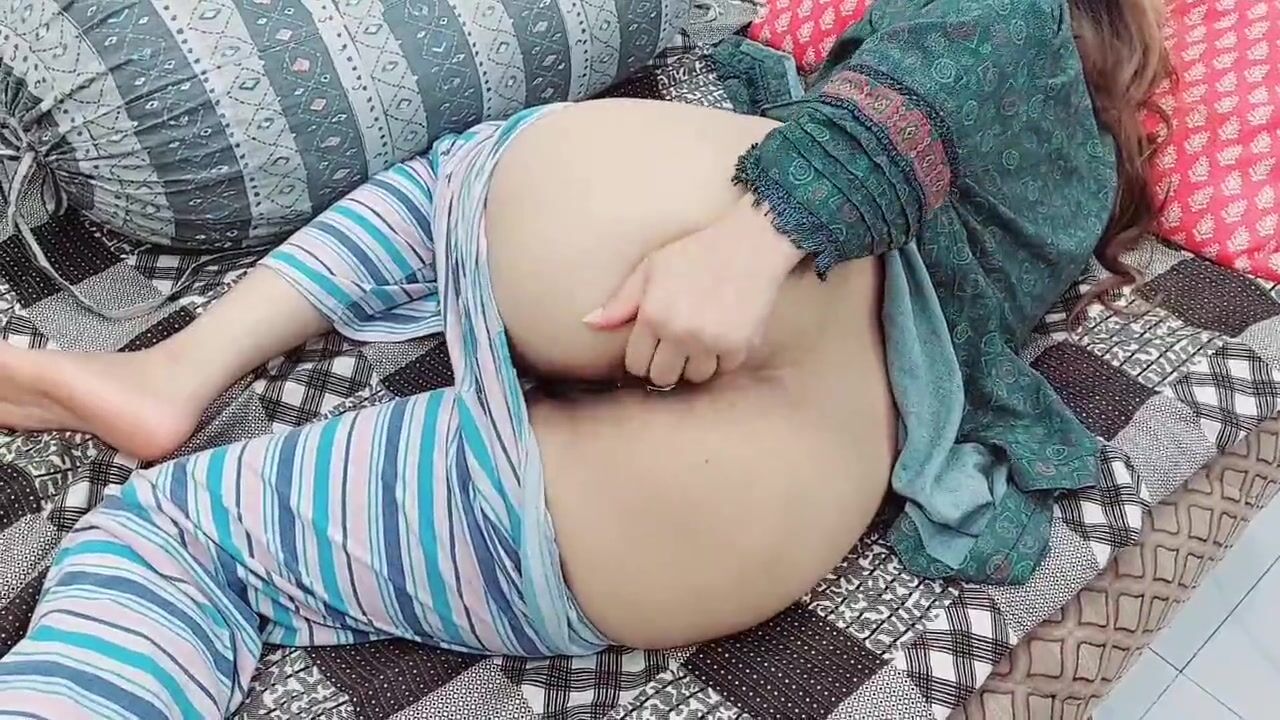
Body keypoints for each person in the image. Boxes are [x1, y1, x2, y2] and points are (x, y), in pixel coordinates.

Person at [0, 0, 1169, 717]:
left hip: (695, 268)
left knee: (465, 172)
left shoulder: (1006, 25)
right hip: (761, 498)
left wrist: (760, 234)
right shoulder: (1065, 208)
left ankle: (179, 369)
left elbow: (951, 60)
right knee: (184, 545)